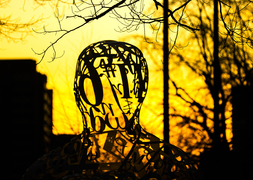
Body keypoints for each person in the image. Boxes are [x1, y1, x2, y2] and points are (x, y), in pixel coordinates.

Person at [22, 40, 201, 180]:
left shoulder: (49, 168)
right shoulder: (174, 164)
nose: (112, 104)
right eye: (96, 85)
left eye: (124, 88)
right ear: (80, 91)